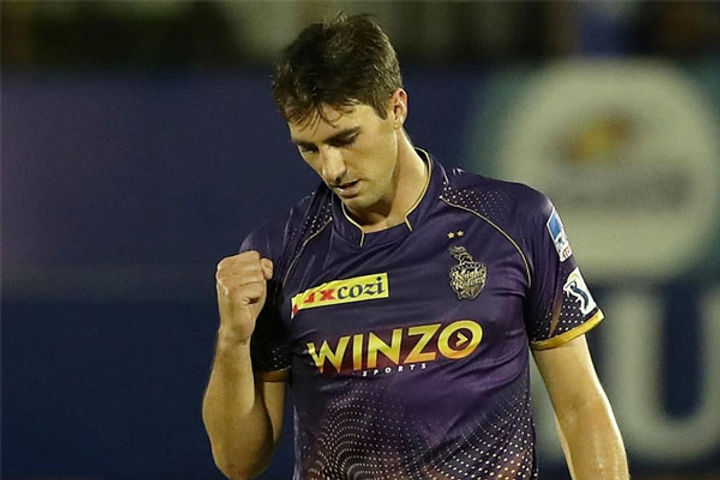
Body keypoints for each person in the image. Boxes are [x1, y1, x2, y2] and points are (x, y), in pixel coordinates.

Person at [202, 13, 629, 480]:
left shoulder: (515, 222)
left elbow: (580, 406)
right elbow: (239, 461)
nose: (332, 168)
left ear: (396, 107)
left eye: (346, 139)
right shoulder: (280, 252)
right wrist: (233, 339)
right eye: (310, 148)